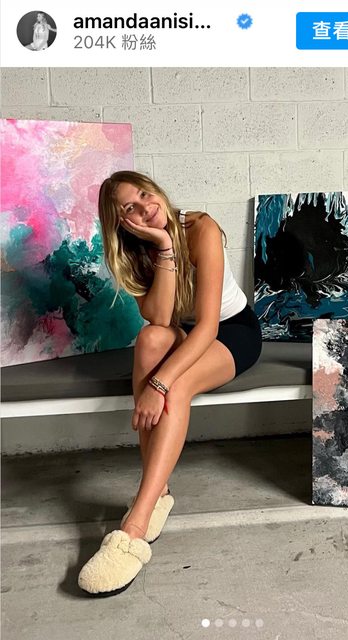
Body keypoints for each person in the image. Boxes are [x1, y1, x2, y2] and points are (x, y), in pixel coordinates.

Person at [78, 171, 262, 596]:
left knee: (176, 387)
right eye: (131, 207)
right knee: (149, 340)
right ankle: (157, 491)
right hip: (185, 331)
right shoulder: (136, 251)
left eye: (146, 195)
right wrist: (163, 245)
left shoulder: (201, 228)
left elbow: (209, 326)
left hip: (232, 332)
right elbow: (161, 319)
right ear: (121, 222)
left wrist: (158, 384)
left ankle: (134, 526)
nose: (146, 208)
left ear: (156, 190)